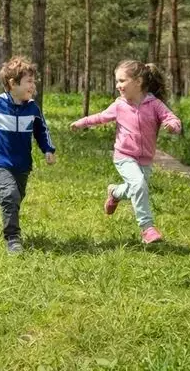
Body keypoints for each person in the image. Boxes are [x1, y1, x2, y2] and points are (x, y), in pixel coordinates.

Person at [69, 60, 182, 244]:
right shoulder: (119, 105)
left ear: (138, 82)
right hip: (124, 156)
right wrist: (82, 122)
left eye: (122, 81)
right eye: (117, 81)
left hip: (145, 159)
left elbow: (171, 117)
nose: (118, 86)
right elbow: (100, 117)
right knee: (138, 185)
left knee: (134, 189)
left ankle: (114, 193)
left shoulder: (155, 105)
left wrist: (173, 126)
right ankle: (147, 228)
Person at [0, 56, 56, 254]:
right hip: (0, 161)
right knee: (10, 195)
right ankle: (13, 238)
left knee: (16, 196)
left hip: (22, 163)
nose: (33, 85)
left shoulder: (32, 108)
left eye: (33, 80)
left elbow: (42, 130)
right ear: (13, 84)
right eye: (29, 81)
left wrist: (48, 149)